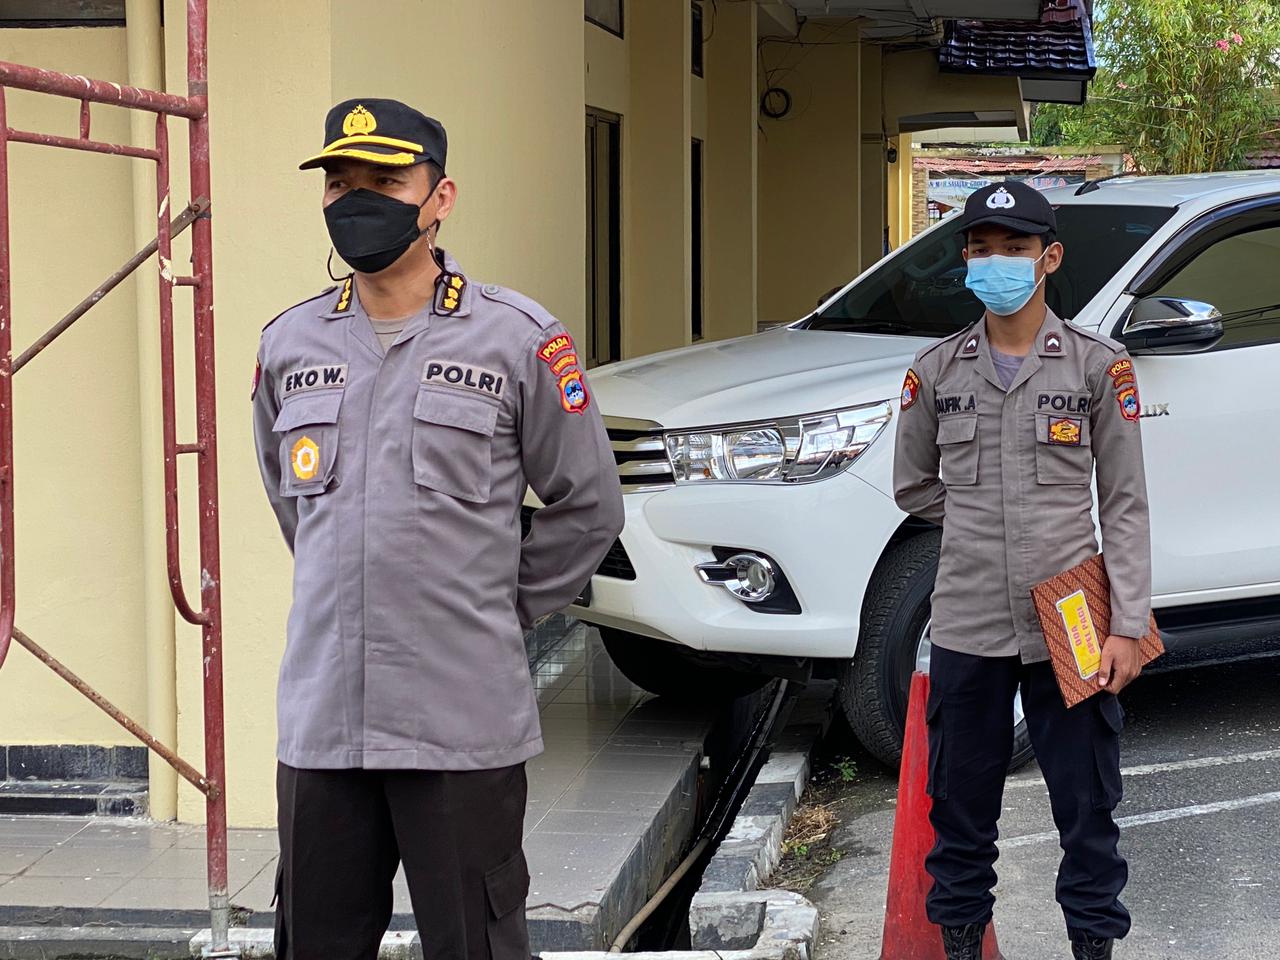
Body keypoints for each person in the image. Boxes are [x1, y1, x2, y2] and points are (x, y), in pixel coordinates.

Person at [251, 97, 625, 960]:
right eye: (340, 184)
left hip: (459, 718)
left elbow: (588, 505)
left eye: (385, 182)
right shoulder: (288, 344)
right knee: (315, 945)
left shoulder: (517, 339)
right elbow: (292, 504)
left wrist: (497, 603)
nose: (356, 201)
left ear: (439, 197)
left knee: (475, 945)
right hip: (325, 722)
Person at [893, 180, 1151, 960]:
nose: (997, 262)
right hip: (968, 616)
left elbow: (1125, 503)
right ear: (966, 259)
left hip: (1073, 617)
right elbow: (912, 485)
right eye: (982, 249)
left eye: (1015, 248)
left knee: (1088, 810)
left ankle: (1093, 948)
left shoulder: (1098, 366)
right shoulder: (936, 370)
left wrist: (1127, 625)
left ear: (1050, 257)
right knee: (959, 813)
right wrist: (984, 522)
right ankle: (963, 947)